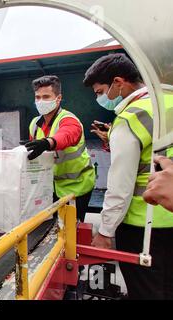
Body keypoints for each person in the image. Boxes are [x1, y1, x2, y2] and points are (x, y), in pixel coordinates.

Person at [83, 53, 173, 299]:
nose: (100, 98)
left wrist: (105, 232)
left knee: (147, 291)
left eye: (100, 91)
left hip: (144, 224)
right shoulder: (167, 101)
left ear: (119, 82)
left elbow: (120, 184)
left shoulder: (129, 118)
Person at [25, 75, 96, 222]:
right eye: (37, 97)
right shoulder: (34, 124)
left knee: (70, 231)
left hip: (77, 187)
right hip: (50, 188)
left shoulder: (69, 120)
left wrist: (48, 142)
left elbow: (67, 135)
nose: (40, 101)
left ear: (58, 98)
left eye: (46, 96)